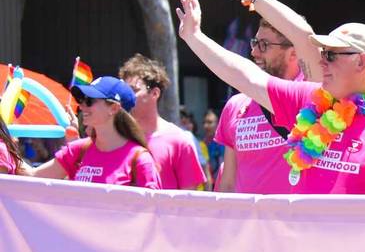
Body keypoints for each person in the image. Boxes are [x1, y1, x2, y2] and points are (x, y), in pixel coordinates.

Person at [177, 0, 365, 195]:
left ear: (361, 61)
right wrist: (194, 37)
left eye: (331, 55)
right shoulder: (310, 100)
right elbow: (246, 76)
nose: (321, 62)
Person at [209, 0, 322, 194]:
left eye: (264, 46)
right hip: (247, 231)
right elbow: (227, 184)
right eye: (255, 43)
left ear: (295, 53)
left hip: (296, 229)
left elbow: (304, 35)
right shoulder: (236, 106)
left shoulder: (315, 95)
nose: (255, 53)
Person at [33, 77, 159, 189]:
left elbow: (154, 210)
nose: (81, 106)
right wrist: (12, 145)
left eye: (89, 101)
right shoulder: (78, 150)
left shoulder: (140, 160)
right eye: (81, 100)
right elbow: (32, 177)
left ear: (114, 108)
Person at [118, 54, 208, 191]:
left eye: (134, 90)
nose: (126, 97)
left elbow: (189, 199)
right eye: (124, 91)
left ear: (155, 93)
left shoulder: (179, 140)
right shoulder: (116, 137)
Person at [202, 109, 225, 181]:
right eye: (204, 122)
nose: (206, 126)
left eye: (209, 122)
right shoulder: (201, 144)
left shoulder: (226, 143)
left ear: (218, 123)